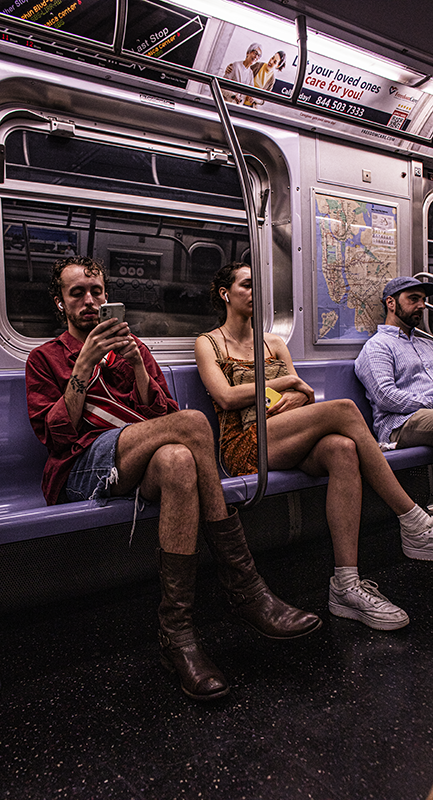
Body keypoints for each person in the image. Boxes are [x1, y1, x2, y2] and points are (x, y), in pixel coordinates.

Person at [25, 256, 323, 703]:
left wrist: (140, 369)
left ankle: (177, 634)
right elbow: (55, 437)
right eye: (77, 294)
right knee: (193, 425)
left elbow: (161, 418)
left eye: (97, 293)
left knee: (180, 460)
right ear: (60, 303)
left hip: (137, 457)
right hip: (85, 464)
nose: (90, 301)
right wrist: (83, 368)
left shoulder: (135, 350)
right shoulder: (44, 358)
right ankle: (245, 586)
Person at [195, 263, 433, 631]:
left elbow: (302, 399)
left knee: (342, 448)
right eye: (246, 284)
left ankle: (346, 585)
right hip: (244, 443)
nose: (255, 290)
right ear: (225, 293)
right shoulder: (208, 343)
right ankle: (413, 519)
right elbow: (226, 398)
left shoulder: (273, 342)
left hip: (284, 433)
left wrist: (284, 396)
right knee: (345, 409)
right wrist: (287, 383)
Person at [355, 276, 433, 453]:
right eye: (413, 299)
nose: (421, 305)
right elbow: (386, 396)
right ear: (391, 303)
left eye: (423, 300)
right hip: (400, 423)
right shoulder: (378, 346)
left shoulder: (428, 345)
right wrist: (430, 402)